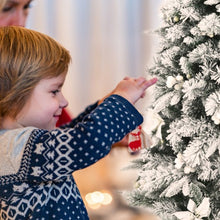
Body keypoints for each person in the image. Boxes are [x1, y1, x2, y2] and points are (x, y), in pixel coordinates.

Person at [0, 26, 157, 219]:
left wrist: (102, 106)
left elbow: (69, 134)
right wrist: (122, 99)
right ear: (16, 95)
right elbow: (82, 142)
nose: (64, 102)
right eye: (54, 91)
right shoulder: (11, 149)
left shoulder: (23, 144)